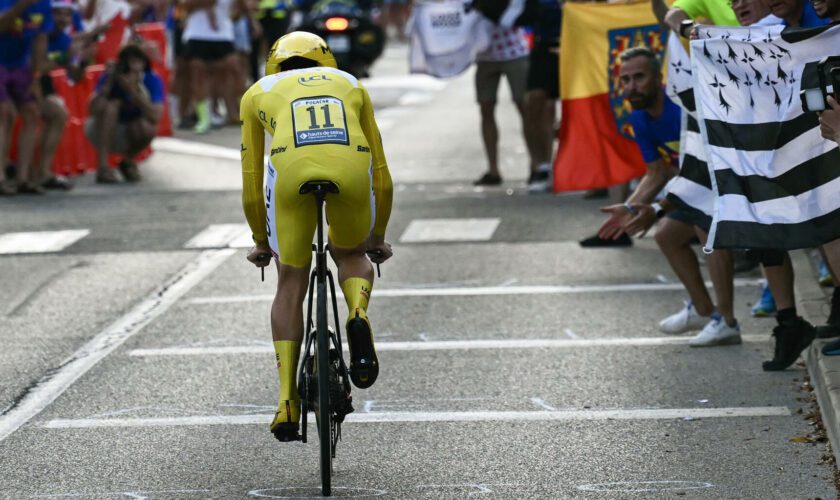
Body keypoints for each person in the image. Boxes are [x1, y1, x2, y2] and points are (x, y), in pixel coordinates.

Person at [241, 32, 394, 442]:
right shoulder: (350, 84)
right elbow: (380, 171)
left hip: (291, 173)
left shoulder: (257, 91)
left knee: (291, 280)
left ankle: (286, 401)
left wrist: (260, 239)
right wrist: (377, 236)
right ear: (325, 61)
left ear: (274, 66)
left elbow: (252, 179)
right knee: (351, 252)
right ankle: (357, 314)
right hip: (350, 169)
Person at [470, 1, 531, 187]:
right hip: (484, 56)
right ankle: (493, 169)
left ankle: (537, 165)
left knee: (525, 109)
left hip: (514, 51)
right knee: (486, 110)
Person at [84, 44, 164, 183]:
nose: (131, 68)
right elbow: (92, 109)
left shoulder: (151, 79)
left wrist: (132, 91)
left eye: (136, 62)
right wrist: (108, 84)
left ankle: (127, 161)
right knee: (111, 107)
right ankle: (103, 167)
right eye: (128, 62)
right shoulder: (111, 77)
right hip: (101, 129)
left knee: (147, 128)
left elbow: (155, 116)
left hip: (131, 130)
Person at [0, 0, 53, 196]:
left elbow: (40, 39)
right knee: (3, 113)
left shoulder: (43, 4)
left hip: (21, 64)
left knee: (32, 113)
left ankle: (23, 178)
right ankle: (1, 177)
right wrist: (21, 6)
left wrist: (36, 76)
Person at [522, 0, 561, 193]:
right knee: (534, 105)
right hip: (543, 48)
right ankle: (541, 166)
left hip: (578, 45)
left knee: (579, 109)